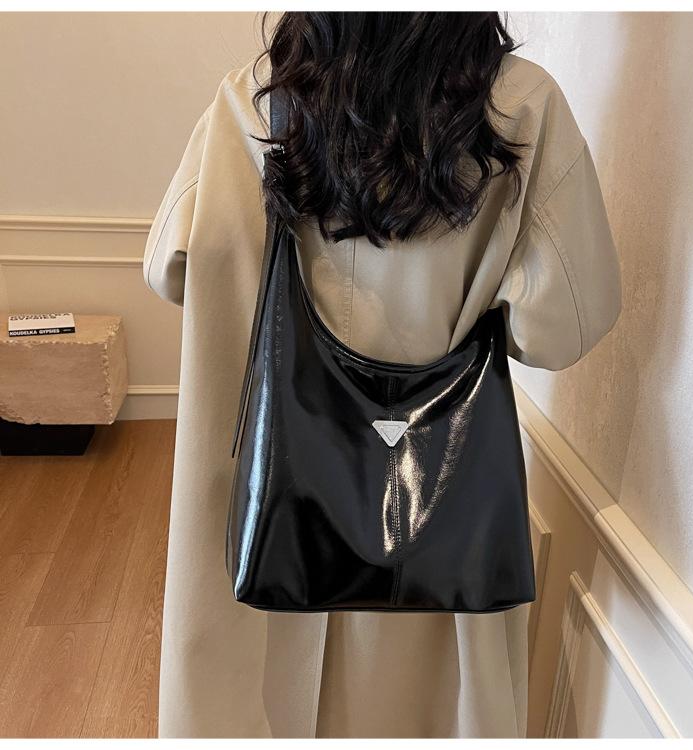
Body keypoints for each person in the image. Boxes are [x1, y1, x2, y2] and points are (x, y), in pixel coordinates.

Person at [143, 11, 622, 738]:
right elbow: (559, 328)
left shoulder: (254, 101)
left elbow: (169, 269)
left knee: (250, 702)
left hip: (266, 503)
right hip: (434, 525)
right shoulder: (522, 105)